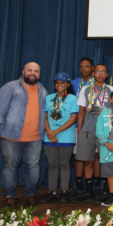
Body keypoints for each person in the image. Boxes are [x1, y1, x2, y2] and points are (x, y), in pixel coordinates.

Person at [0, 62, 48, 206]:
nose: (32, 73)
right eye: (30, 70)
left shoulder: (42, 90)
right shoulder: (10, 88)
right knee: (10, 166)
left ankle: (31, 194)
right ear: (23, 71)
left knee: (34, 167)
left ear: (39, 74)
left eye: (36, 71)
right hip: (11, 137)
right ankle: (9, 194)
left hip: (35, 138)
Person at [74, 64, 113, 202]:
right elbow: (81, 111)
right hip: (88, 129)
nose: (100, 74)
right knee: (88, 161)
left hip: (105, 131)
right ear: (93, 73)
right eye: (97, 71)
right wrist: (80, 131)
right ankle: (89, 191)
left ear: (107, 75)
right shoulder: (85, 90)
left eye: (103, 72)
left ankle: (102, 189)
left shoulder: (112, 90)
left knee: (105, 161)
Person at [40, 73, 78, 204]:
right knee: (52, 165)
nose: (59, 85)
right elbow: (44, 117)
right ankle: (51, 192)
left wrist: (55, 132)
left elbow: (73, 119)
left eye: (62, 83)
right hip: (49, 137)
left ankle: (65, 192)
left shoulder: (73, 99)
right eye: (57, 83)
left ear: (68, 84)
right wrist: (50, 132)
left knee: (64, 165)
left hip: (66, 138)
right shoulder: (49, 98)